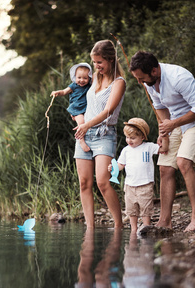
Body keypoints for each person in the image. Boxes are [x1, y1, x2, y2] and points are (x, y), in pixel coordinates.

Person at [129, 51, 195, 232]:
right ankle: (165, 222)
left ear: (154, 71)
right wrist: (164, 134)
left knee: (183, 162)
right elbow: (160, 108)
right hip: (174, 123)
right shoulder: (149, 82)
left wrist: (172, 124)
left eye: (141, 78)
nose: (140, 82)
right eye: (137, 78)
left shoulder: (178, 77)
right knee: (165, 167)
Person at [74, 39, 126, 229]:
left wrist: (86, 125)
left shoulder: (119, 82)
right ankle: (90, 228)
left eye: (100, 62)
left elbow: (108, 112)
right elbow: (77, 98)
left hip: (105, 134)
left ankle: (119, 225)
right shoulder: (93, 77)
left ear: (111, 59)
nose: (96, 66)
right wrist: (79, 120)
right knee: (84, 183)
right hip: (84, 134)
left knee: (103, 182)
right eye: (94, 62)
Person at [108, 117, 159, 233]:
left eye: (133, 138)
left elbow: (162, 149)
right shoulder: (126, 150)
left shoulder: (149, 147)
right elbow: (121, 164)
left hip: (145, 184)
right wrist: (113, 168)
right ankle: (134, 229)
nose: (129, 140)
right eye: (127, 137)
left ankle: (146, 226)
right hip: (130, 185)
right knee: (131, 209)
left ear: (142, 137)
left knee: (146, 208)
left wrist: (163, 136)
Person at [51, 62, 93, 152]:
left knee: (88, 121)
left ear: (89, 78)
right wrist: (58, 92)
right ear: (75, 77)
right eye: (79, 78)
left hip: (86, 108)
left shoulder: (89, 86)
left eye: (85, 78)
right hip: (77, 108)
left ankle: (88, 139)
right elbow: (64, 91)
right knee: (81, 122)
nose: (81, 80)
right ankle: (81, 141)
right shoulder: (74, 85)